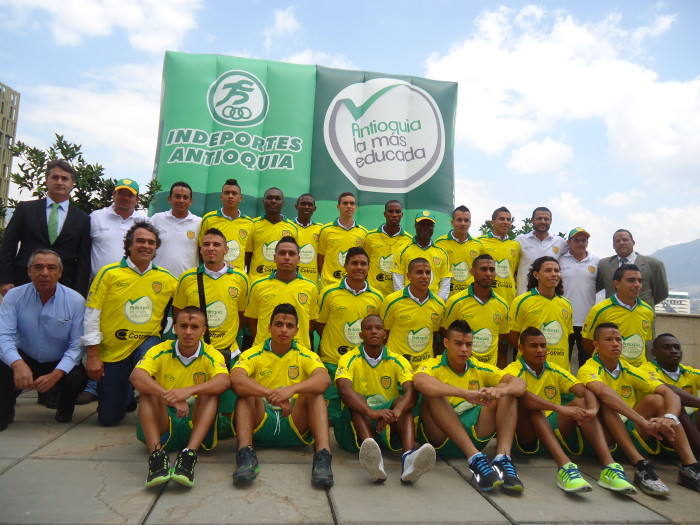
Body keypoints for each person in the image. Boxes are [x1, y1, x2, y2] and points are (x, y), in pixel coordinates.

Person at [505, 327, 636, 494]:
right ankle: (565, 467)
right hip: (527, 438)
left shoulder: (554, 369)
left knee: (582, 403)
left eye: (543, 346)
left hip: (553, 429)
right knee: (532, 406)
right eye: (533, 346)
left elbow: (584, 391)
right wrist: (558, 408)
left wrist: (593, 410)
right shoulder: (512, 370)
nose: (540, 350)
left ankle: (609, 467)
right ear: (521, 348)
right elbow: (522, 395)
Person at [578, 323, 700, 496]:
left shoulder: (629, 369)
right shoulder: (588, 368)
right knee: (605, 400)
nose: (615, 344)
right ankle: (641, 465)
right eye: (608, 339)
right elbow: (603, 393)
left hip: (631, 429)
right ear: (596, 344)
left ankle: (690, 467)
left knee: (657, 399)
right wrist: (642, 421)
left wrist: (671, 417)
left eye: (619, 339)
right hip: (605, 435)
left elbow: (668, 392)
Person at [81, 221, 177, 426]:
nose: (146, 246)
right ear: (129, 245)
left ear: (156, 247)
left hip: (146, 342)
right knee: (108, 419)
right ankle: (124, 398)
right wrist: (93, 354)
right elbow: (91, 314)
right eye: (140, 241)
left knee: (152, 358)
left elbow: (187, 303)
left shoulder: (167, 279)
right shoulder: (109, 273)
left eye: (151, 242)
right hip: (113, 350)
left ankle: (153, 416)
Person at [414, 320, 526, 491]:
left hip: (474, 432)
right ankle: (474, 459)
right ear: (446, 343)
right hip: (440, 437)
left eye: (468, 344)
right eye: (458, 344)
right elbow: (420, 382)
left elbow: (520, 383)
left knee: (505, 390)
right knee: (434, 393)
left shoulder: (479, 367)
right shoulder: (433, 365)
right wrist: (465, 393)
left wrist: (502, 391)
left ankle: (503, 459)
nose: (464, 350)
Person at [231, 303, 334, 487]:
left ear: (297, 331)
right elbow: (236, 380)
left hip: (294, 421)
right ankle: (245, 454)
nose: (284, 330)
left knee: (314, 392)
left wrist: (291, 390)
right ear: (269, 328)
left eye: (289, 326)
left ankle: (323, 456)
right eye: (278, 324)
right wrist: (272, 394)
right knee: (247, 390)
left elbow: (324, 379)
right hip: (262, 421)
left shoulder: (304, 354)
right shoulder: (254, 353)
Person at [130, 306, 230, 488]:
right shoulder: (159, 350)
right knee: (147, 394)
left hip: (196, 421)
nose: (188, 332)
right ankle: (157, 456)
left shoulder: (211, 353)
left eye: (194, 327)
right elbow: (137, 376)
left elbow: (223, 381)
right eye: (183, 326)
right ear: (175, 328)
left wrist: (188, 391)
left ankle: (189, 455)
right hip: (165, 420)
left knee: (210, 394)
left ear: (203, 330)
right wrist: (168, 396)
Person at [335, 315, 435, 484]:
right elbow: (343, 389)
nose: (374, 331)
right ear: (360, 335)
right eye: (368, 328)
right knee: (356, 398)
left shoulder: (398, 360)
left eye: (378, 328)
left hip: (387, 421)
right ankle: (373, 457)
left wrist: (396, 412)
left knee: (402, 403)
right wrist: (371, 412)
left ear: (385, 334)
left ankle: (408, 459)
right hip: (356, 425)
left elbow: (411, 391)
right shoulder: (349, 358)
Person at [0, 250, 87, 430]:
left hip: (57, 360)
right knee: (2, 366)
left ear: (60, 272)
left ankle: (64, 408)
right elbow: (4, 336)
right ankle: (5, 411)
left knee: (77, 377)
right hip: (26, 357)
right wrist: (17, 364)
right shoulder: (13, 296)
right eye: (38, 267)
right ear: (29, 271)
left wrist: (56, 374)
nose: (45, 273)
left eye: (51, 268)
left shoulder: (75, 301)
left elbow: (76, 346)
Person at [0, 159, 91, 297]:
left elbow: (84, 260)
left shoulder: (83, 219)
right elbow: (8, 246)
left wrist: (79, 293)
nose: (59, 182)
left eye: (65, 179)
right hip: (23, 281)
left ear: (72, 184)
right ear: (47, 180)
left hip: (65, 286)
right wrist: (4, 280)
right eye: (55, 177)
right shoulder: (25, 209)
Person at [317, 248, 383, 421]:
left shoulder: (377, 297)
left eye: (363, 264)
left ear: (369, 268)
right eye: (354, 263)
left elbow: (377, 331)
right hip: (333, 362)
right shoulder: (328, 293)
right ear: (345, 266)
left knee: (358, 414)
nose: (359, 267)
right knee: (331, 418)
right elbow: (319, 325)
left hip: (362, 364)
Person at [173, 228, 249, 364]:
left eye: (217, 245)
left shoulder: (240, 278)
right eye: (206, 244)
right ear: (200, 250)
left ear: (226, 250)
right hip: (194, 353)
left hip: (228, 353)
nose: (211, 248)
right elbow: (179, 313)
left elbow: (241, 314)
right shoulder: (187, 277)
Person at [244, 237, 318, 349]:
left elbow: (310, 322)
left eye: (291, 254)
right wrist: (265, 343)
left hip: (299, 354)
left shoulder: (311, 287)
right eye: (282, 253)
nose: (287, 257)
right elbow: (252, 320)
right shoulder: (258, 285)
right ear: (274, 258)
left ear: (298, 259)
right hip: (264, 353)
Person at [441, 254, 509, 368]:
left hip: (488, 372)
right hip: (462, 370)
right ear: (472, 272)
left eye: (492, 270)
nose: (488, 273)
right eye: (483, 269)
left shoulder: (502, 304)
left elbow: (501, 341)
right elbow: (445, 334)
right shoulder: (455, 302)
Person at [582, 264, 654, 367]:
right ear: (616, 284)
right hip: (609, 371)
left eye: (640, 281)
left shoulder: (648, 311)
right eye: (631, 280)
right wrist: (607, 360)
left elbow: (644, 340)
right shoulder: (600, 310)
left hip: (639, 371)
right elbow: (587, 340)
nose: (637, 284)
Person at [640, 333, 700, 456]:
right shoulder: (645, 370)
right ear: (654, 352)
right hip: (661, 431)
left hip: (692, 428)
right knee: (675, 405)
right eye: (667, 347)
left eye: (677, 347)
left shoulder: (689, 372)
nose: (673, 351)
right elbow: (671, 391)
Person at [509, 256, 573, 371]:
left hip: (560, 370)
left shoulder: (566, 304)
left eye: (557, 271)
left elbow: (566, 337)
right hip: (530, 369)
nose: (554, 274)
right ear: (536, 275)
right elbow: (513, 337)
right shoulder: (521, 301)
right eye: (548, 270)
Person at [381, 258, 445, 371]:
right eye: (419, 272)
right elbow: (384, 334)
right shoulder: (391, 301)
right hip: (395, 367)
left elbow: (434, 334)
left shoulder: (439, 304)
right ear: (408, 276)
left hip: (424, 369)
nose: (425, 276)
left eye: (428, 272)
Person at [89, 178, 149, 280]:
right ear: (113, 195)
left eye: (130, 195)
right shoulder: (96, 217)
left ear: (137, 199)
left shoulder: (145, 222)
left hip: (131, 283)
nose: (125, 198)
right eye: (121, 193)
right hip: (98, 283)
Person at [559, 227, 600, 368]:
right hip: (564, 318)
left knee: (587, 361)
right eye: (576, 240)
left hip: (587, 320)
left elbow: (597, 285)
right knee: (563, 359)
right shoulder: (559, 260)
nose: (580, 243)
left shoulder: (596, 261)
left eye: (584, 240)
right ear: (569, 242)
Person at [597, 229, 669, 306]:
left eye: (625, 240)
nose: (621, 243)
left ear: (633, 242)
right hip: (612, 314)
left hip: (641, 314)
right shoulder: (604, 265)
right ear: (613, 245)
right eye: (617, 241)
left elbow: (662, 293)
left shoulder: (654, 264)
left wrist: (644, 305)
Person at [392, 210, 451, 301]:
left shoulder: (442, 253)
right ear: (415, 225)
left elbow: (445, 282)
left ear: (433, 227)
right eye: (422, 224)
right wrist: (405, 300)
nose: (425, 228)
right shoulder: (402, 251)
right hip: (408, 302)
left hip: (433, 304)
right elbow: (398, 280)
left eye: (429, 225)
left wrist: (437, 302)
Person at [198, 179, 254, 271]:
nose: (230, 196)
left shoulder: (249, 223)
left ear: (240, 198)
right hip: (212, 272)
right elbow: (201, 247)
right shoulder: (208, 219)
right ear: (221, 197)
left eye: (234, 193)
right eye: (227, 193)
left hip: (236, 275)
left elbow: (247, 253)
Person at [151, 181, 202, 277]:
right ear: (169, 199)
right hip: (158, 280)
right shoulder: (156, 219)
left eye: (185, 197)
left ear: (191, 201)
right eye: (177, 196)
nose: (181, 201)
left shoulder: (199, 223)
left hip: (187, 282)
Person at [318, 192, 368, 288]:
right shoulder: (326, 230)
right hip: (329, 285)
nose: (349, 206)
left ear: (355, 207)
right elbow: (320, 259)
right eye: (345, 203)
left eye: (352, 203)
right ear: (338, 206)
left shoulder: (364, 232)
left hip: (353, 286)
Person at [248, 187, 299, 282]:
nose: (273, 201)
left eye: (277, 198)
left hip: (282, 282)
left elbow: (294, 256)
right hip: (256, 281)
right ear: (263, 201)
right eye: (270, 198)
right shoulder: (252, 225)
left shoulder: (292, 227)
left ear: (282, 203)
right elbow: (247, 255)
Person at [363, 200, 413, 297]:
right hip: (374, 293)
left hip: (397, 295)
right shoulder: (370, 237)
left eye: (397, 212)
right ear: (385, 214)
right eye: (390, 211)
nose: (394, 215)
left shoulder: (409, 240)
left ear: (402, 215)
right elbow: (365, 264)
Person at [514, 207, 567, 296]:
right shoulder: (520, 240)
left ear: (551, 221)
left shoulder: (560, 242)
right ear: (532, 220)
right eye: (539, 218)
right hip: (524, 296)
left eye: (546, 219)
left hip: (549, 298)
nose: (543, 221)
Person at [434, 205, 483, 297]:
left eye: (466, 220)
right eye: (459, 220)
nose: (463, 223)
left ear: (470, 223)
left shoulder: (478, 245)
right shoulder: (439, 243)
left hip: (470, 296)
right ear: (452, 222)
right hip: (446, 296)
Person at [477, 207, 520, 305]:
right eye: (502, 219)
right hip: (485, 296)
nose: (505, 222)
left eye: (508, 219)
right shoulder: (479, 242)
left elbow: (516, 272)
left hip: (509, 297)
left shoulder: (516, 245)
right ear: (492, 222)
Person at [293, 193, 324, 284]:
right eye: (303, 204)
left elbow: (321, 258)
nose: (307, 207)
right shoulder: (288, 227)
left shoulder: (321, 229)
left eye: (310, 205)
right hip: (291, 279)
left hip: (312, 281)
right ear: (296, 207)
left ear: (314, 209)